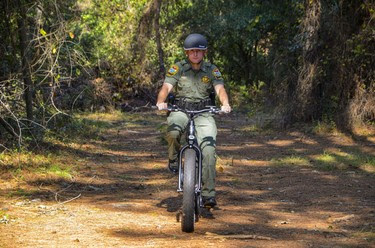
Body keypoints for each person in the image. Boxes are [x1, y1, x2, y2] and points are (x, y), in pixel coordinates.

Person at [156, 33, 231, 208]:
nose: (195, 54)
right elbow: (166, 87)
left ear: (204, 53)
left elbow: (220, 88)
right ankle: (173, 158)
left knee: (209, 149)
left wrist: (225, 104)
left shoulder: (212, 70)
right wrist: (161, 102)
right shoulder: (178, 68)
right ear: (186, 53)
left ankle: (208, 194)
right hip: (181, 109)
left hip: (204, 111)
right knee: (173, 131)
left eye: (199, 51)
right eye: (192, 51)